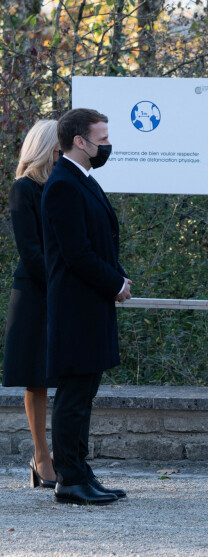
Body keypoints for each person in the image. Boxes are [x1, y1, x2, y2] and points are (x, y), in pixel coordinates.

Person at [42, 108, 132, 505]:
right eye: (103, 137)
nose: (107, 144)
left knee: (84, 391)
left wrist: (119, 276)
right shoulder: (64, 184)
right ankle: (69, 479)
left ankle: (80, 471)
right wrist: (114, 281)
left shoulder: (82, 180)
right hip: (76, 307)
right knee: (74, 395)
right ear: (80, 141)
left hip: (90, 303)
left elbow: (99, 243)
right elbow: (77, 253)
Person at [3, 120, 60, 489]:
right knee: (36, 379)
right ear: (45, 148)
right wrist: (63, 282)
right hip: (36, 292)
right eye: (59, 147)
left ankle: (65, 456)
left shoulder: (65, 186)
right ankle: (41, 458)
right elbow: (31, 250)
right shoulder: (24, 189)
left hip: (63, 291)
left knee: (67, 376)